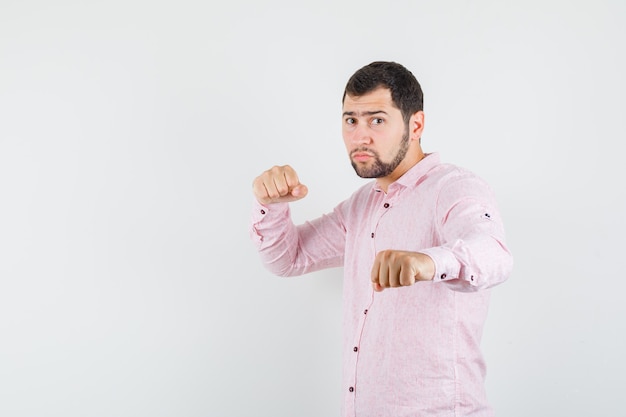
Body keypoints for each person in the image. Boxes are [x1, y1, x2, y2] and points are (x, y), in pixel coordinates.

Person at [250, 61, 513, 417]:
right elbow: (288, 259)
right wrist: (271, 206)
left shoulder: (454, 188)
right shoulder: (361, 206)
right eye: (351, 121)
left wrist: (428, 261)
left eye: (377, 120)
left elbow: (495, 255)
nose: (360, 136)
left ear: (415, 124)